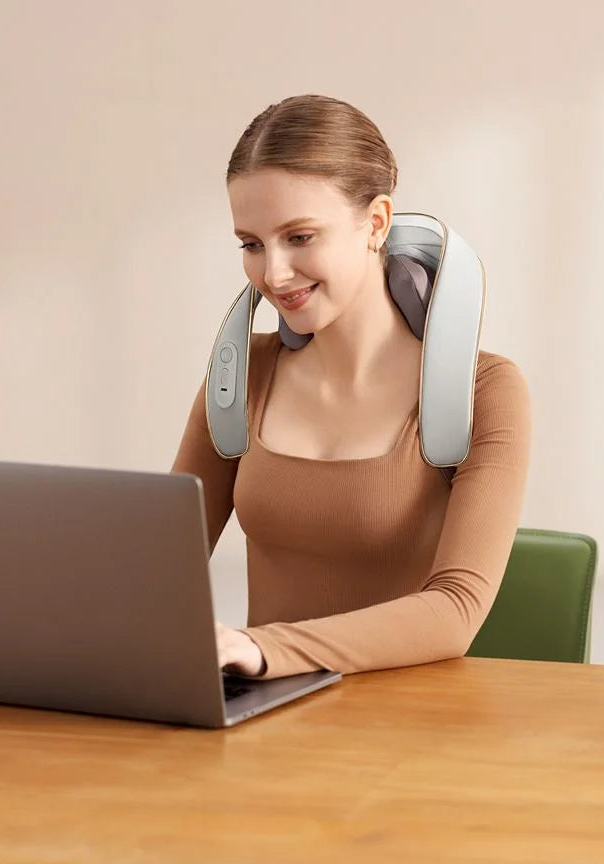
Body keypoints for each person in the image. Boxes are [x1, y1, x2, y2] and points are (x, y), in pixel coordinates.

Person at [170, 94, 531, 680]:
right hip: (266, 713)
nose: (273, 274)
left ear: (377, 222)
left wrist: (264, 651)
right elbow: (160, 568)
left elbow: (455, 610)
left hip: (409, 721)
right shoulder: (241, 376)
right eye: (252, 244)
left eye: (300, 237)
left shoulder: (483, 392)